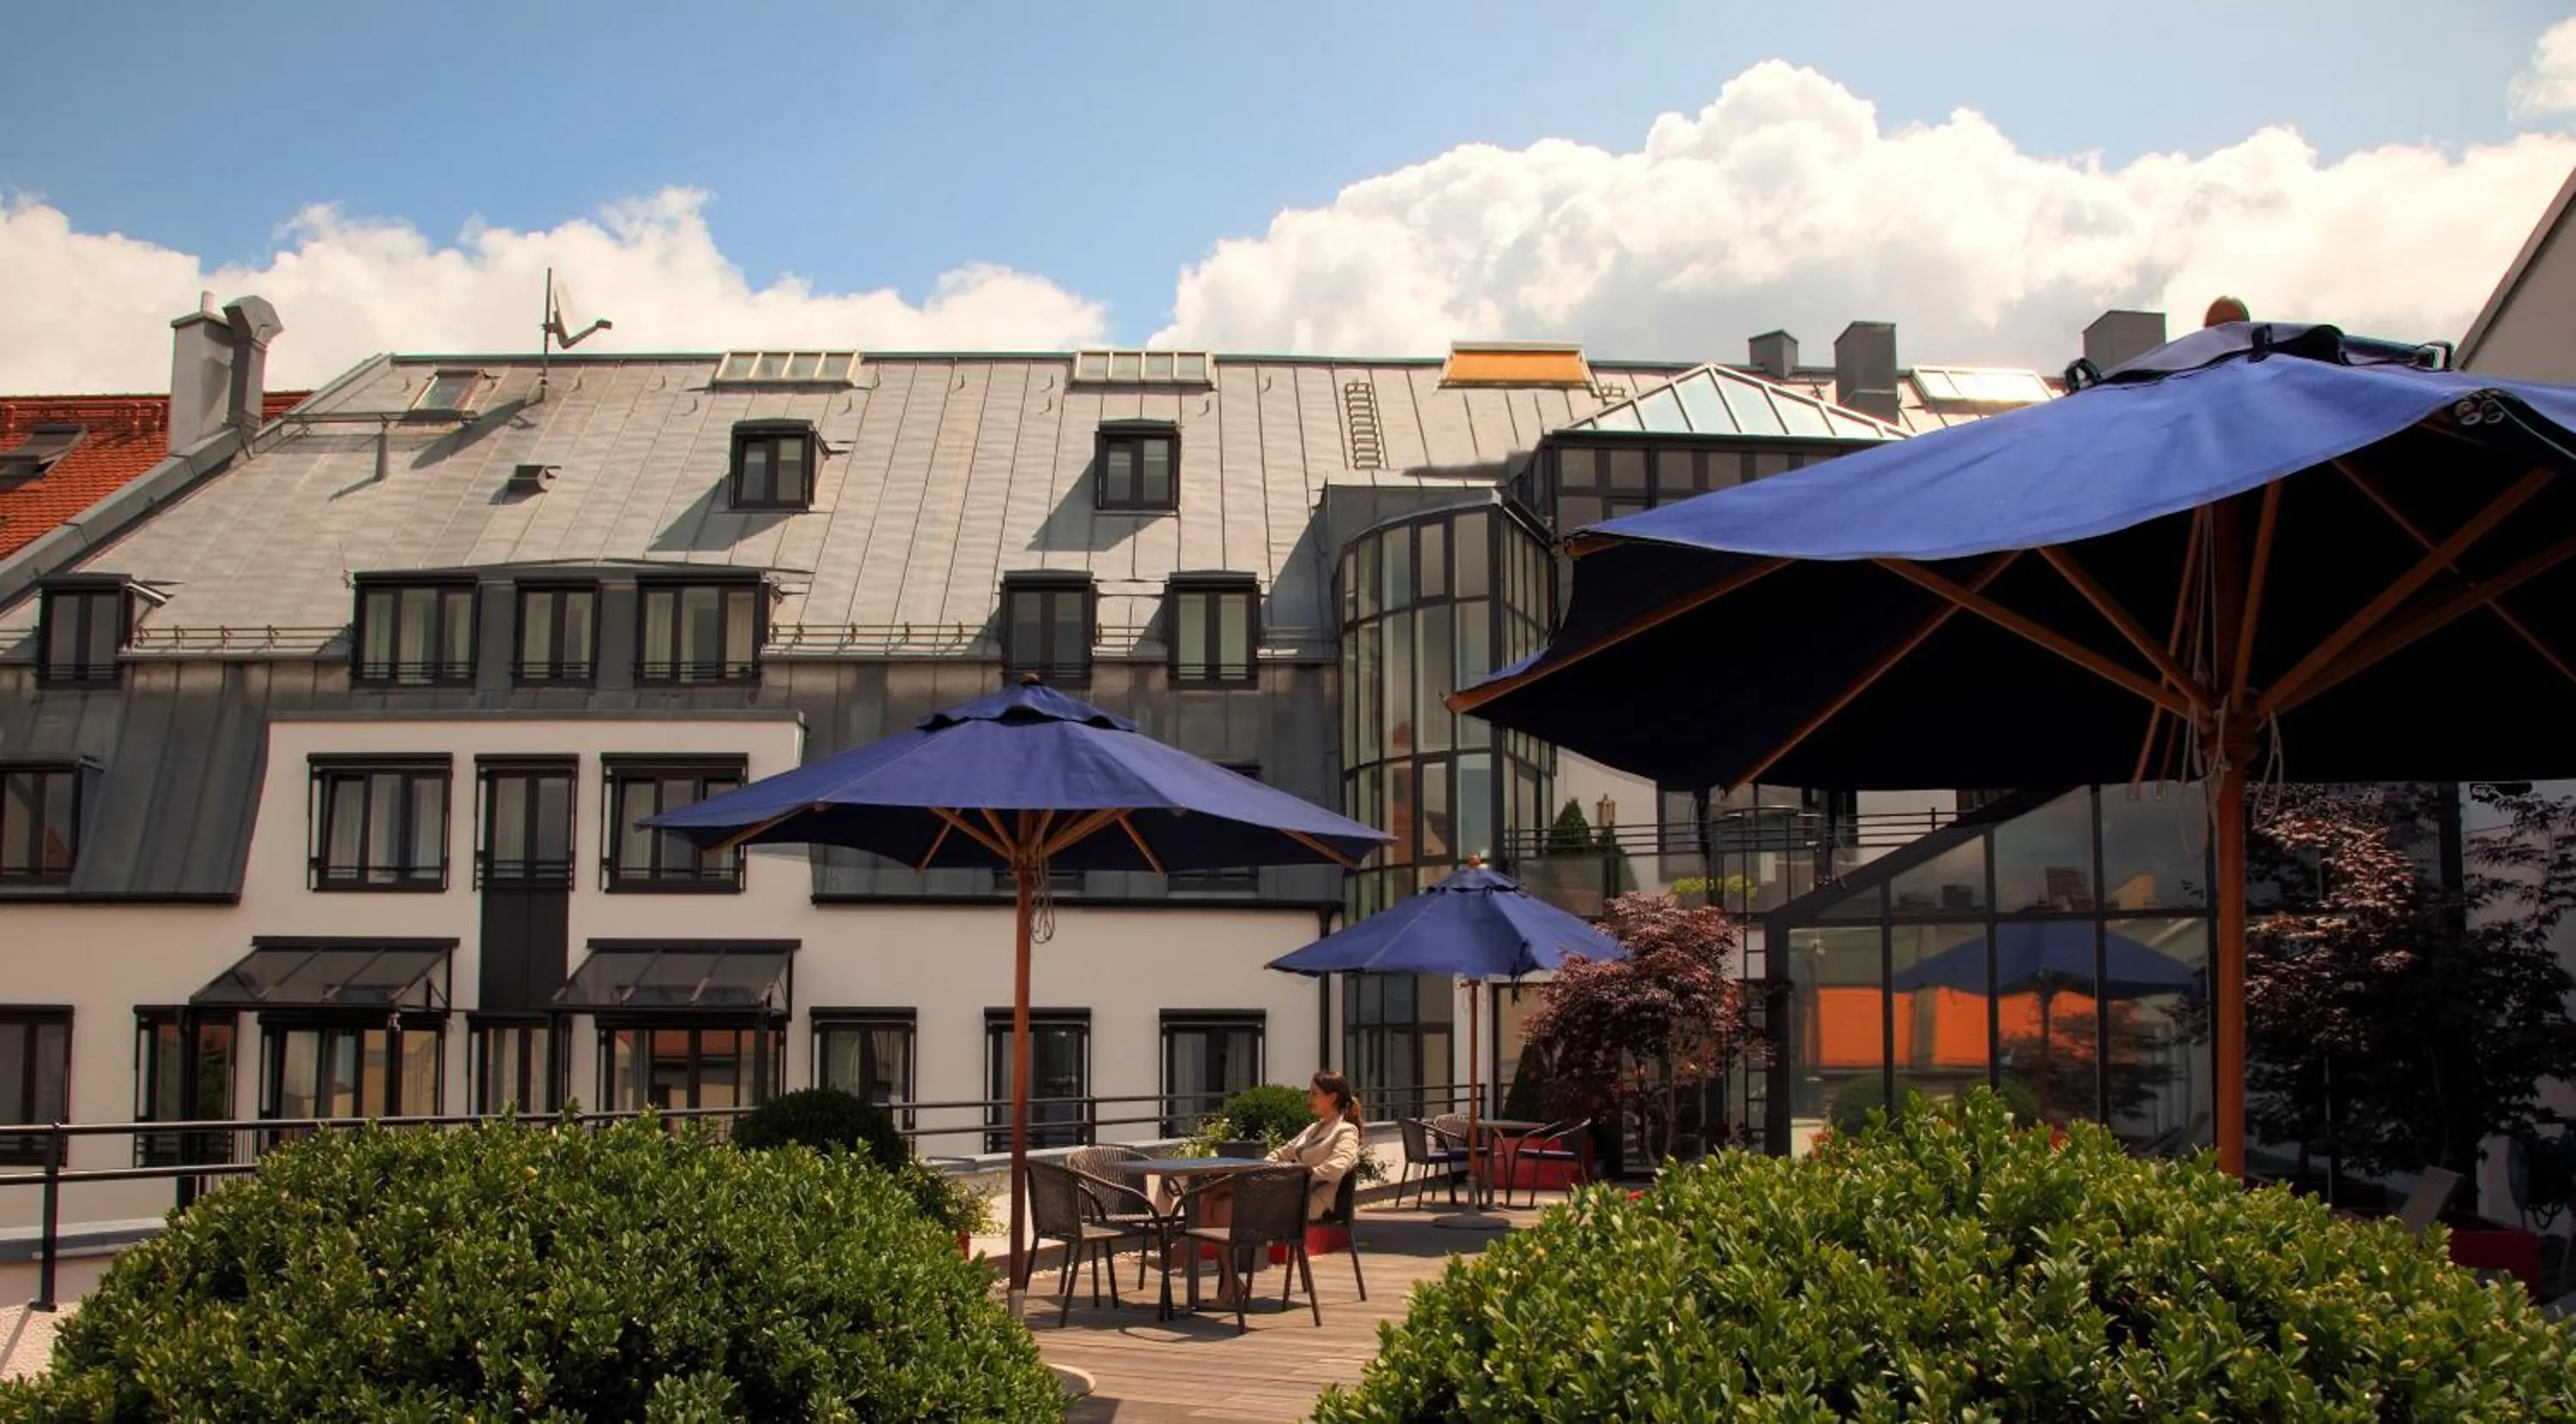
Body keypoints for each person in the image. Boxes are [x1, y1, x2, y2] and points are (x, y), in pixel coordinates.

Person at [1267, 1072, 1364, 1220]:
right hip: (1297, 1196)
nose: (1309, 1099)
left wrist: (1297, 1179)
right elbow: (1282, 1153)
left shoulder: (1346, 1131)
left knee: (1249, 1208)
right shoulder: (1313, 1128)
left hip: (1316, 1202)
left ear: (1332, 1097)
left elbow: (1335, 1169)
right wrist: (1261, 1167)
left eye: (1315, 1094)